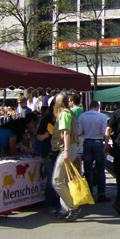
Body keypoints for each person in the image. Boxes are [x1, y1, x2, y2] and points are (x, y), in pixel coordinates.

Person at [50, 92, 81, 221]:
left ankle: (73, 207)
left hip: (68, 148)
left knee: (56, 181)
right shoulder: (69, 113)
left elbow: (66, 133)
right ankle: (65, 209)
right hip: (71, 147)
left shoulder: (64, 114)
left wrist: (66, 150)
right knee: (63, 181)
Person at [77, 100, 110, 203]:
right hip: (98, 142)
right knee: (100, 169)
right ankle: (101, 194)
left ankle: (89, 193)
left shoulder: (82, 116)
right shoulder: (102, 117)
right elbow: (103, 132)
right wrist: (105, 144)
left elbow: (79, 132)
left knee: (87, 169)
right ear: (97, 107)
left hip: (87, 142)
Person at [36, 99, 58, 213]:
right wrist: (45, 135)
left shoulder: (62, 118)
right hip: (48, 152)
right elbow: (38, 136)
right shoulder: (46, 120)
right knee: (51, 177)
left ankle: (59, 202)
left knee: (58, 178)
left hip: (59, 151)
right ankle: (49, 203)